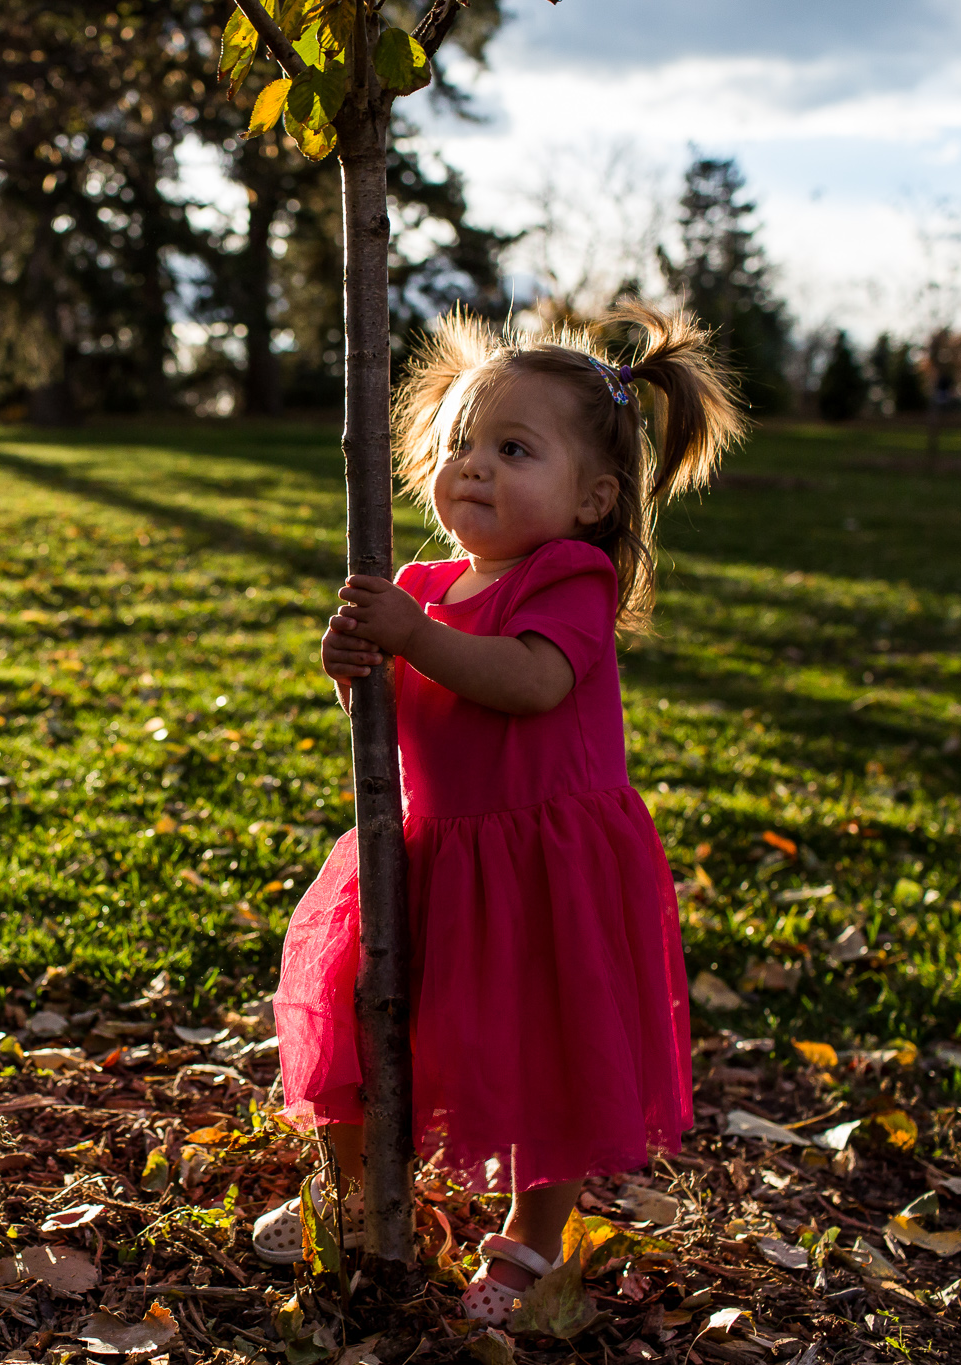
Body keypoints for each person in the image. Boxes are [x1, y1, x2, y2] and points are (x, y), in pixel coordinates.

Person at [252, 301, 744, 1326]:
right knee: (362, 1019)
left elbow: (525, 684)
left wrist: (410, 638)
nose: (471, 466)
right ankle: (365, 1199)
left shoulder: (570, 576)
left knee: (549, 1059)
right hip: (428, 857)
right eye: (459, 444)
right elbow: (402, 714)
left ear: (591, 499)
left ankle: (529, 1239)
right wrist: (353, 669)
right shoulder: (425, 584)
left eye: (512, 449)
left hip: (538, 868)